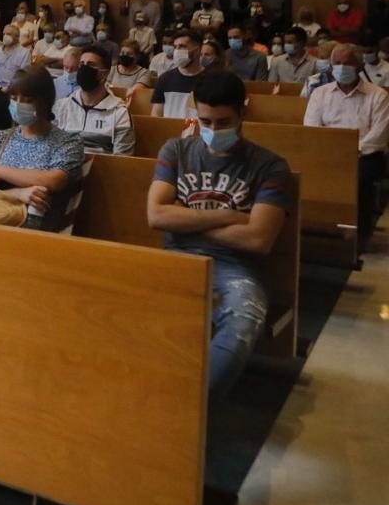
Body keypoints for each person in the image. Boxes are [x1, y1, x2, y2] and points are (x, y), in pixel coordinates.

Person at [147, 71, 292, 402]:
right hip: (176, 256)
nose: (213, 130)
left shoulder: (270, 167)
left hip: (236, 269)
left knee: (243, 320)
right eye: (205, 121)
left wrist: (185, 216)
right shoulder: (176, 150)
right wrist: (229, 216)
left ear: (243, 113)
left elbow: (258, 239)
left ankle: (189, 407)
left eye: (223, 122)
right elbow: (156, 215)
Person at [0, 66, 85, 232]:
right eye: (13, 98)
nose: (18, 104)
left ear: (45, 102)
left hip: (39, 231)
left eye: (27, 99)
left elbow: (55, 180)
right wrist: (18, 194)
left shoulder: (68, 141)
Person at [304, 43, 389, 240]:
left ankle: (358, 235)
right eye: (337, 63)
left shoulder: (378, 96)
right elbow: (312, 128)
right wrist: (330, 152)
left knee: (359, 178)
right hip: (325, 152)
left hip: (364, 155)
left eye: (347, 63)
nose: (341, 68)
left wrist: (349, 152)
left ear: (359, 66)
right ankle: (316, 227)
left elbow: (378, 136)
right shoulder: (320, 93)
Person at [53, 47, 135, 155]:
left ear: (104, 74)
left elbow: (121, 161)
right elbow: (49, 147)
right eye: (82, 64)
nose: (84, 69)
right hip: (63, 168)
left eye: (91, 65)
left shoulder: (119, 113)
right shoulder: (62, 106)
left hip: (102, 170)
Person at [151, 31, 203, 118]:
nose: (177, 51)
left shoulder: (211, 79)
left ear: (197, 50)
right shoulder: (165, 78)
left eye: (182, 46)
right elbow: (156, 114)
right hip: (169, 130)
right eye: (175, 47)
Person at [0, 24, 30, 88]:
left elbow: (23, 75)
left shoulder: (25, 52)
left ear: (17, 37)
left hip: (14, 89)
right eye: (4, 34)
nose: (5, 36)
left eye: (9, 34)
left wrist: (8, 89)